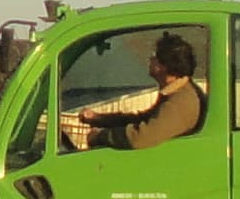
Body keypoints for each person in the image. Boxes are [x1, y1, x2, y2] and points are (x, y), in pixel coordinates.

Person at [71, 30, 207, 152]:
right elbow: (143, 120)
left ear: (164, 66)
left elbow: (140, 137)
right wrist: (98, 119)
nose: (150, 59)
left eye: (154, 56)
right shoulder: (176, 93)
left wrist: (100, 136)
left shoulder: (179, 103)